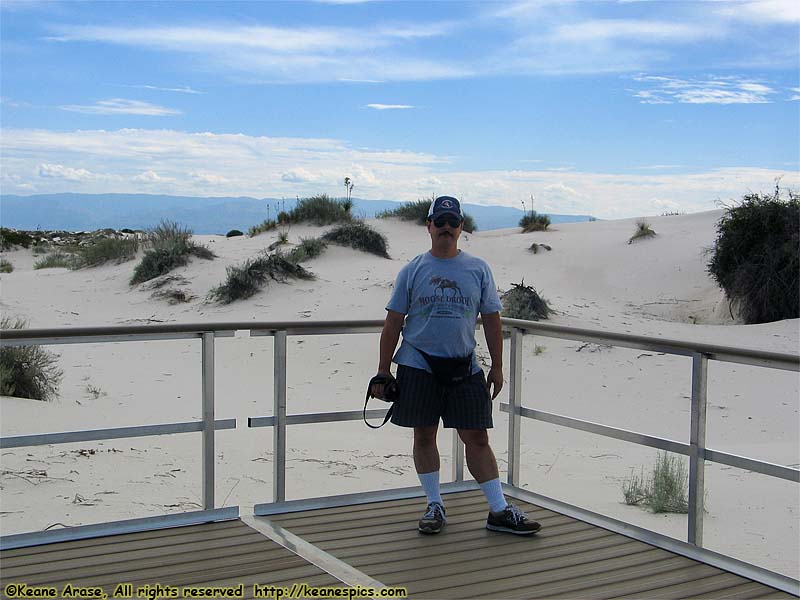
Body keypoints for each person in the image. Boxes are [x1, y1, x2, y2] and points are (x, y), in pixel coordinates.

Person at [371, 196, 541, 536]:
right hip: (418, 364)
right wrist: (383, 370)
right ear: (429, 226)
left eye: (453, 221)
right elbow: (393, 323)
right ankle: (434, 504)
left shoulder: (478, 269)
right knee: (424, 434)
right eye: (440, 221)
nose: (446, 227)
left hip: (465, 365)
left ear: (461, 227)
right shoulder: (413, 269)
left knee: (477, 437)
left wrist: (497, 366)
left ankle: (498, 510)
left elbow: (492, 319)